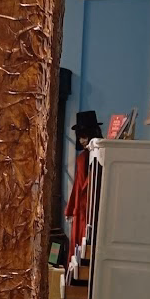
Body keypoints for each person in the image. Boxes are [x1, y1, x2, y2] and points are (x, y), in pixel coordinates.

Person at [65, 110, 103, 265]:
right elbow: (77, 185)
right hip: (80, 212)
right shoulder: (81, 159)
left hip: (92, 212)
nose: (81, 140)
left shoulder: (102, 157)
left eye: (84, 136)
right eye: (80, 136)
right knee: (77, 251)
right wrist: (70, 209)